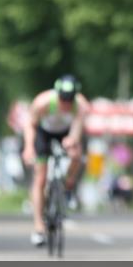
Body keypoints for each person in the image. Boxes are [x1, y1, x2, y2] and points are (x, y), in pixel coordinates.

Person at [21, 75, 90, 247]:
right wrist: (29, 147)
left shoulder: (80, 106)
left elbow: (77, 129)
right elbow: (30, 125)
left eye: (69, 100)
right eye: (62, 100)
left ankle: (67, 186)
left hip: (65, 132)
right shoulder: (42, 103)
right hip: (43, 133)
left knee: (76, 155)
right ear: (57, 94)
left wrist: (72, 140)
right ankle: (38, 227)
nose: (65, 104)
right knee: (40, 177)